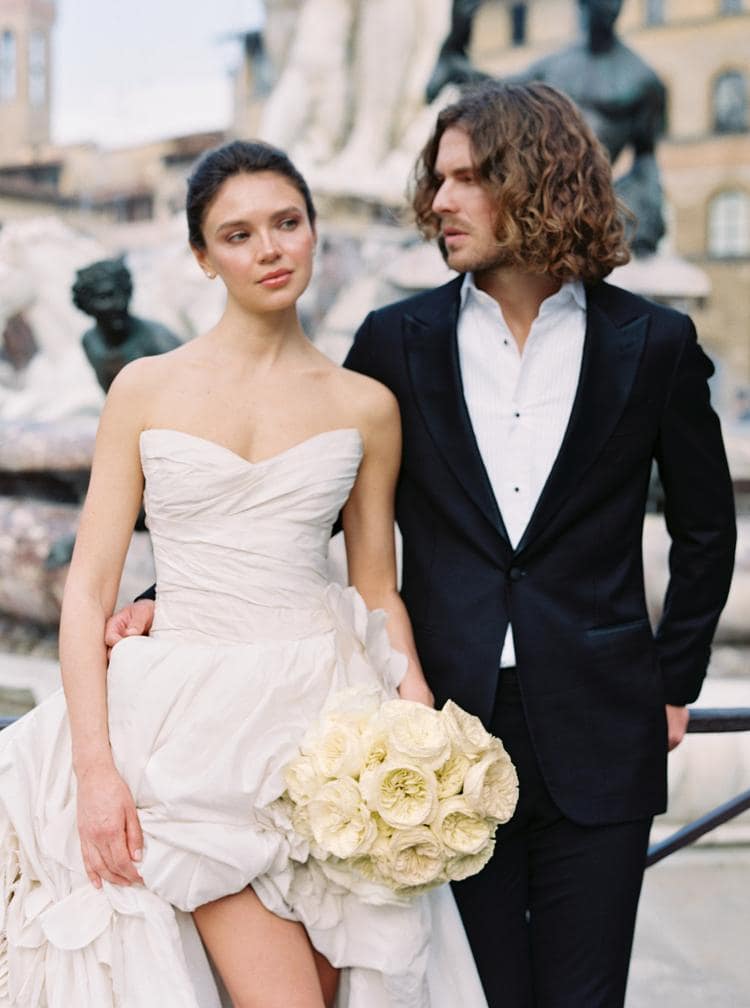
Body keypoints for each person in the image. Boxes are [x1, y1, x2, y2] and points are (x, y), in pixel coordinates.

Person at [105, 84, 736, 1006]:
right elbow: (309, 491)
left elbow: (707, 529)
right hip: (439, 730)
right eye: (438, 178)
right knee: (473, 992)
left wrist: (674, 684)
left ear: (538, 179)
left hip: (603, 724)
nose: (438, 200)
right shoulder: (398, 341)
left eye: (468, 178)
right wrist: (170, 590)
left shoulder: (655, 342)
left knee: (586, 995)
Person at [0, 140, 490, 1008]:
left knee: (351, 987)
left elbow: (376, 586)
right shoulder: (145, 389)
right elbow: (87, 590)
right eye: (238, 234)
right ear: (202, 256)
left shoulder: (364, 406)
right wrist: (96, 771)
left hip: (326, 719)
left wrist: (417, 720)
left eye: (287, 223)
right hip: (186, 728)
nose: (269, 249)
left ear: (313, 233)